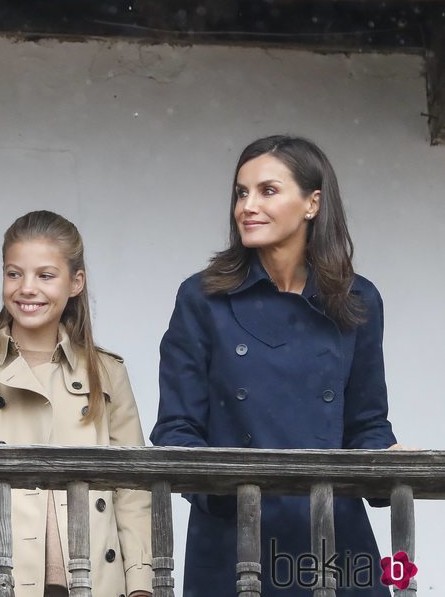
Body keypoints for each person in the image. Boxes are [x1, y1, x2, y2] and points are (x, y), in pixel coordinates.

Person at [150, 135, 400, 596]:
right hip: (232, 543)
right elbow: (176, 429)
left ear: (312, 203)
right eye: (241, 193)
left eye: (267, 191)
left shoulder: (358, 299)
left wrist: (389, 466)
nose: (247, 205)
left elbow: (366, 423)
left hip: (334, 542)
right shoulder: (202, 298)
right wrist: (232, 494)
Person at [0, 210, 153, 597]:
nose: (26, 288)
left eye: (45, 275)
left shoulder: (107, 371)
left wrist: (141, 582)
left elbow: (132, 489)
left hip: (93, 576)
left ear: (75, 282)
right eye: (14, 274)